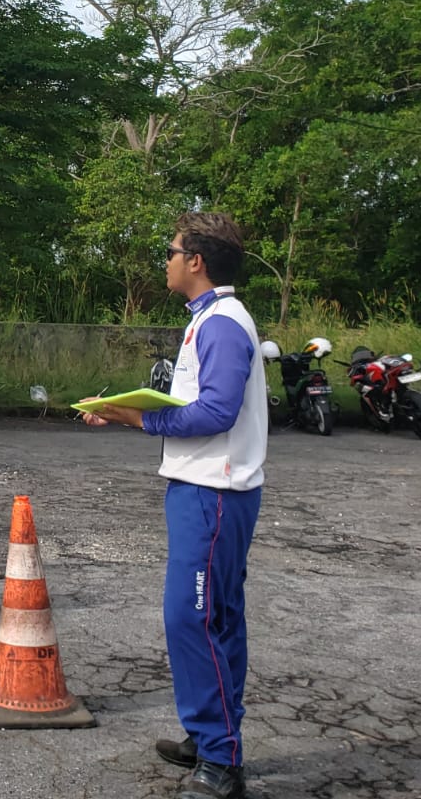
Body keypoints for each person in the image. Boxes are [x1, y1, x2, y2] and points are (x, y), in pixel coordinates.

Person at [80, 213, 267, 799]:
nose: (165, 259)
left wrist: (139, 416)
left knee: (191, 617)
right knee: (217, 616)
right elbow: (197, 405)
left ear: (197, 262)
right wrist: (124, 415)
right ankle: (211, 738)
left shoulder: (222, 324)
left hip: (214, 492)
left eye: (171, 250)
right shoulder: (210, 320)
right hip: (208, 487)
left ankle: (220, 757)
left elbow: (216, 412)